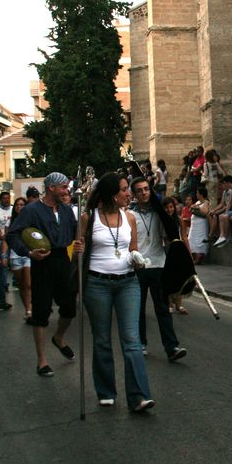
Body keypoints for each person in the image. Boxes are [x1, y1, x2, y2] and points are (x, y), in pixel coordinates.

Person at [80, 172, 154, 412]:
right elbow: (75, 250)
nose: (128, 193)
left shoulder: (129, 217)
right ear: (113, 193)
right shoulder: (88, 218)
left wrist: (137, 257)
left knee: (132, 341)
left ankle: (139, 396)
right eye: (124, 189)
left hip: (128, 283)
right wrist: (76, 247)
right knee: (102, 339)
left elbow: (132, 247)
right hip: (97, 283)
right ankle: (106, 390)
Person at [6, 172, 85, 377]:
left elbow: (77, 232)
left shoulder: (67, 211)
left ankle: (58, 337)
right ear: (52, 188)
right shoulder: (32, 210)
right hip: (42, 263)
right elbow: (13, 234)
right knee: (41, 313)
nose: (67, 191)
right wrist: (29, 252)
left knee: (69, 309)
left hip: (64, 263)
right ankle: (42, 361)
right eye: (64, 187)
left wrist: (79, 244)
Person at [129, 177, 187, 361]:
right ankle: (141, 343)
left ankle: (171, 347)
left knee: (162, 307)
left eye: (146, 189)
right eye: (140, 190)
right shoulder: (130, 215)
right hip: (138, 266)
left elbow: (168, 238)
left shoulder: (159, 213)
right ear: (134, 194)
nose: (144, 193)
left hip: (158, 264)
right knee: (138, 309)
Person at [8, 197, 32, 320]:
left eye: (22, 204)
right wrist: (4, 256)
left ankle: (31, 309)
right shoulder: (11, 222)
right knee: (22, 285)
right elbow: (7, 240)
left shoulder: (31, 219)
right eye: (17, 205)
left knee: (29, 284)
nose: (19, 207)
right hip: (15, 255)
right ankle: (27, 308)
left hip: (29, 254)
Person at [188, 187, 210, 264]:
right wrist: (192, 208)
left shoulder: (206, 202)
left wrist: (198, 208)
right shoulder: (197, 202)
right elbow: (191, 209)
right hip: (194, 225)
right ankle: (196, 257)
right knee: (191, 239)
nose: (196, 194)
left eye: (197, 193)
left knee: (199, 239)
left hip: (201, 224)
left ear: (201, 194)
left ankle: (198, 257)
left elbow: (205, 212)